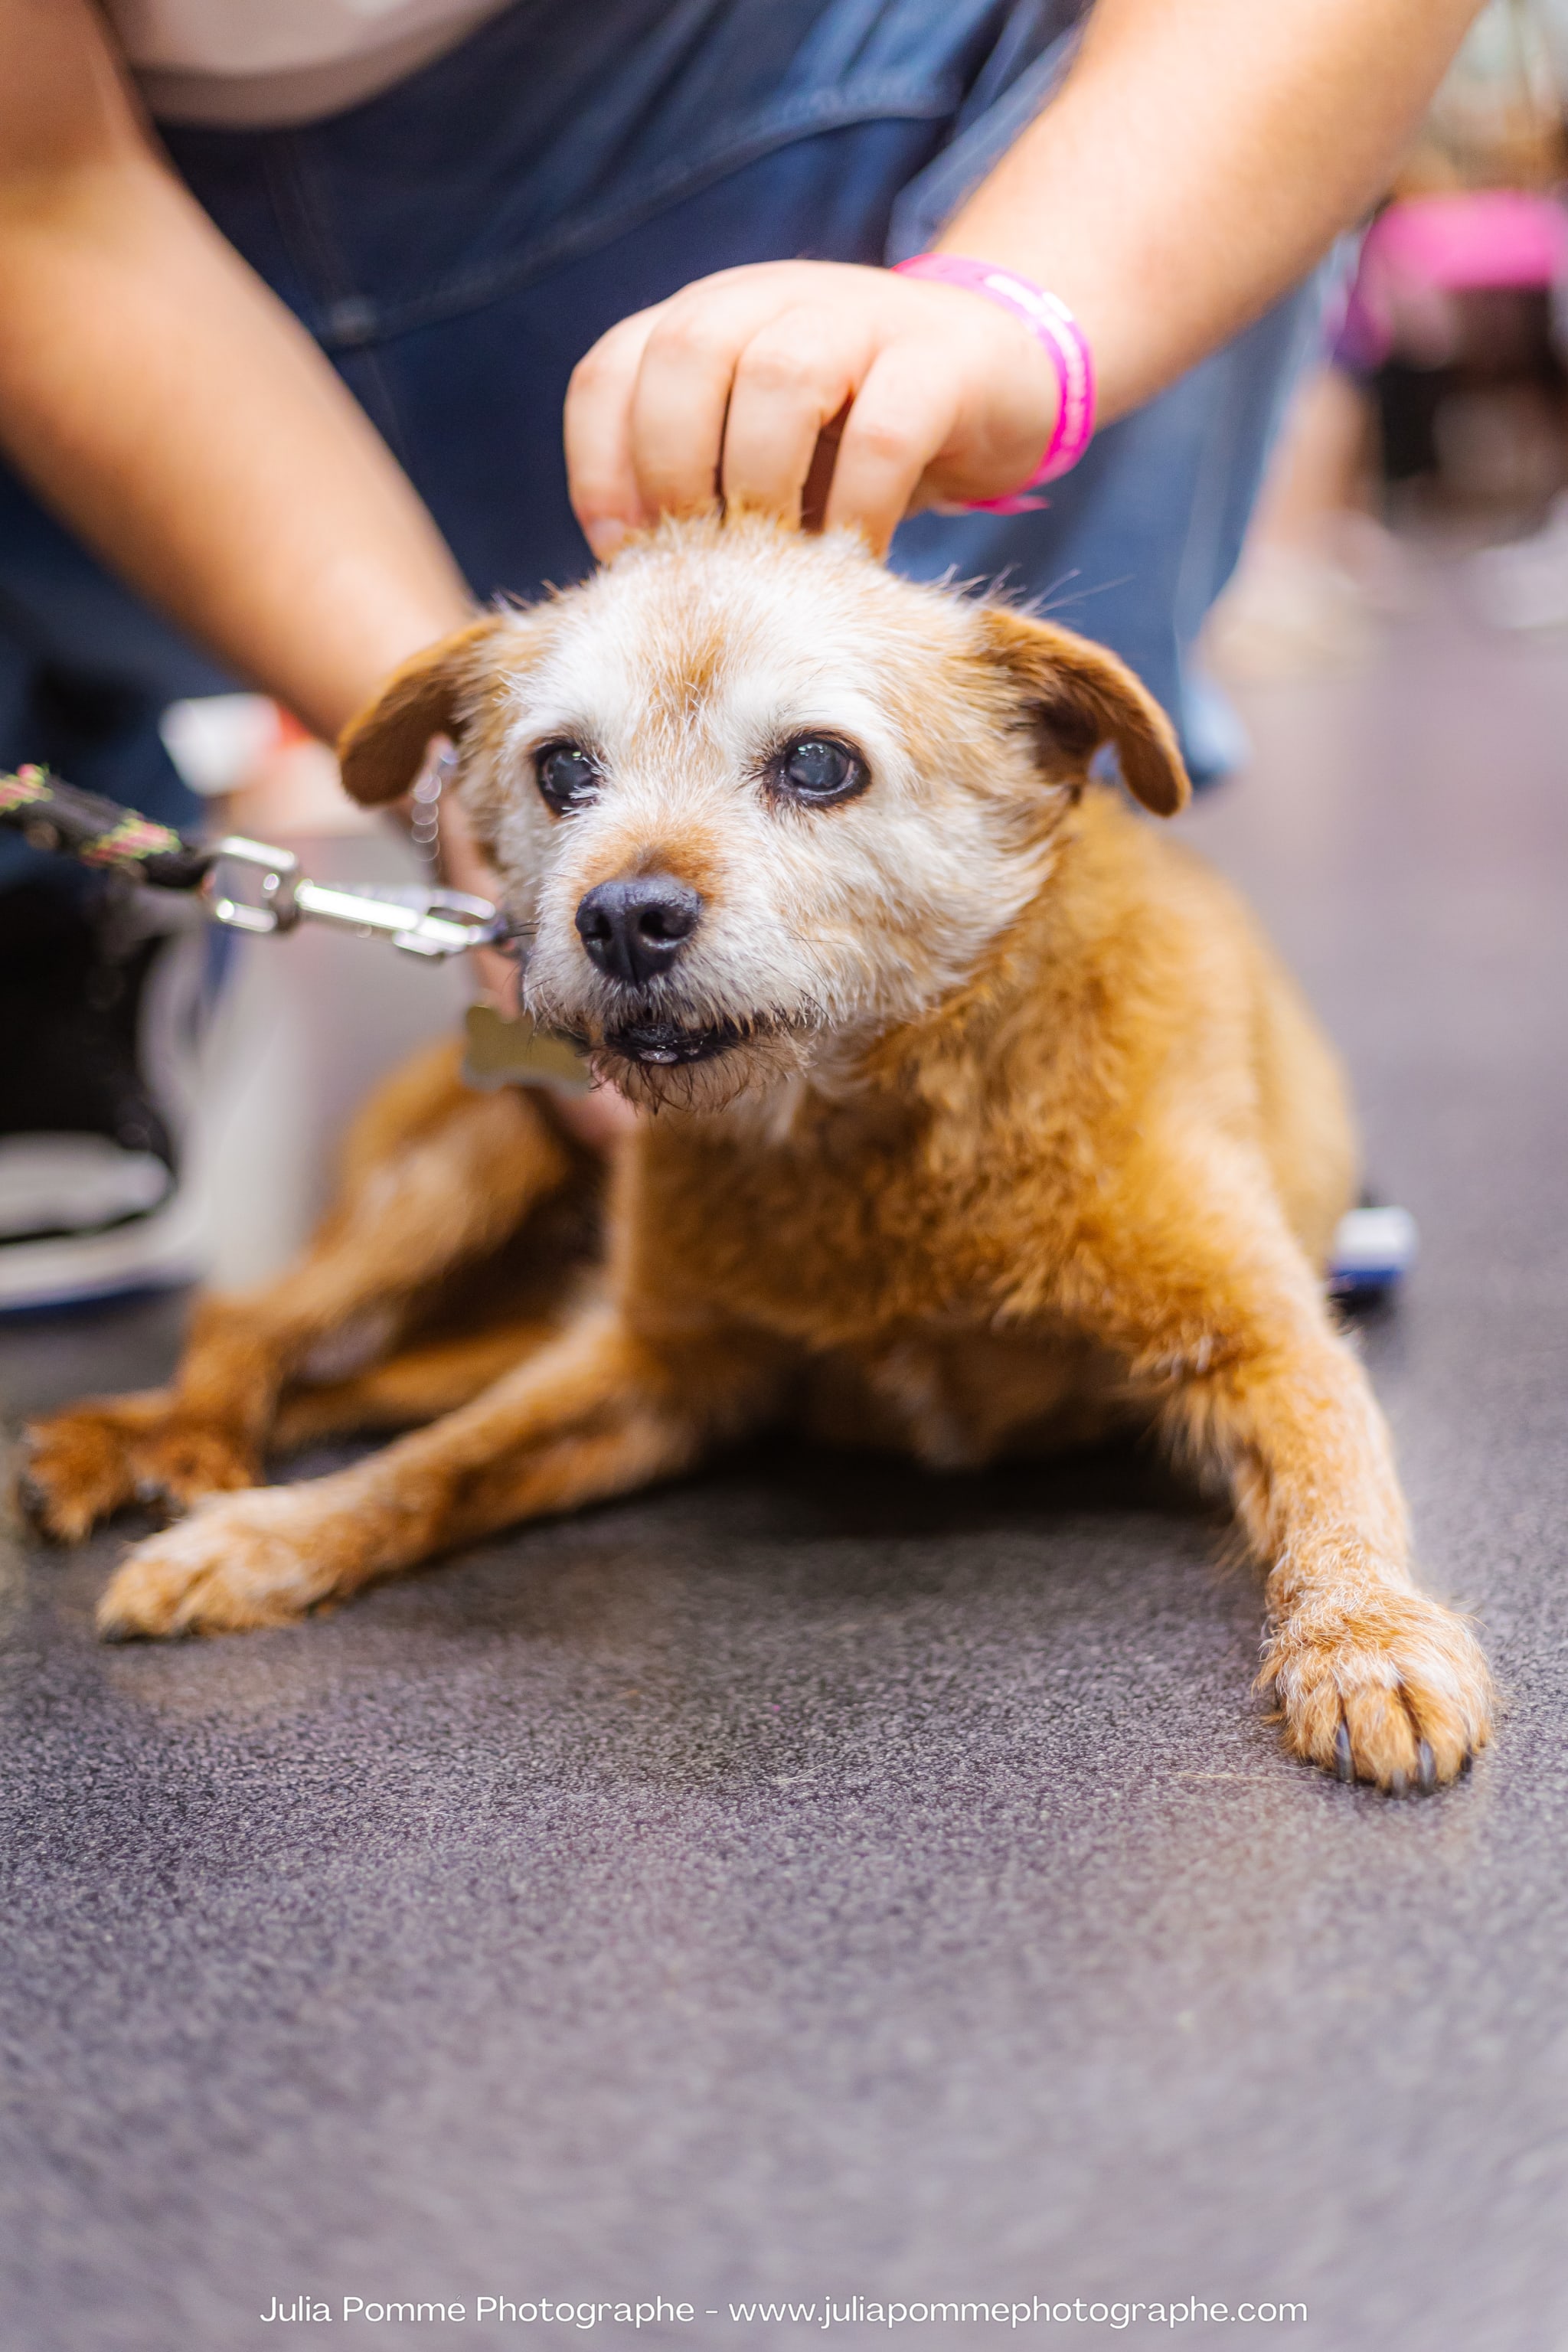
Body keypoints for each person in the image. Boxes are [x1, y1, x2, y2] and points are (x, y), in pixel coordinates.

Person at [0, 0, 1482, 1302]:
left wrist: (1022, 312)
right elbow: (41, 196)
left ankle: (1080, 1005)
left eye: (818, 765)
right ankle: (38, 919)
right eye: (565, 779)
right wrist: (473, 794)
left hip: (784, 141)